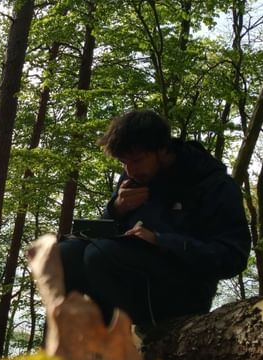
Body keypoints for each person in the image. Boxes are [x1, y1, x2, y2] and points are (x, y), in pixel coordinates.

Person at [59, 110, 251, 326]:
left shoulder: (213, 184)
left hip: (186, 293)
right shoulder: (133, 179)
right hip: (127, 276)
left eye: (137, 160)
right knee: (64, 253)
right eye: (123, 162)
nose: (130, 170)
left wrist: (161, 241)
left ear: (163, 149)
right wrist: (117, 209)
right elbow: (103, 233)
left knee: (99, 254)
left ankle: (143, 332)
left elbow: (233, 257)